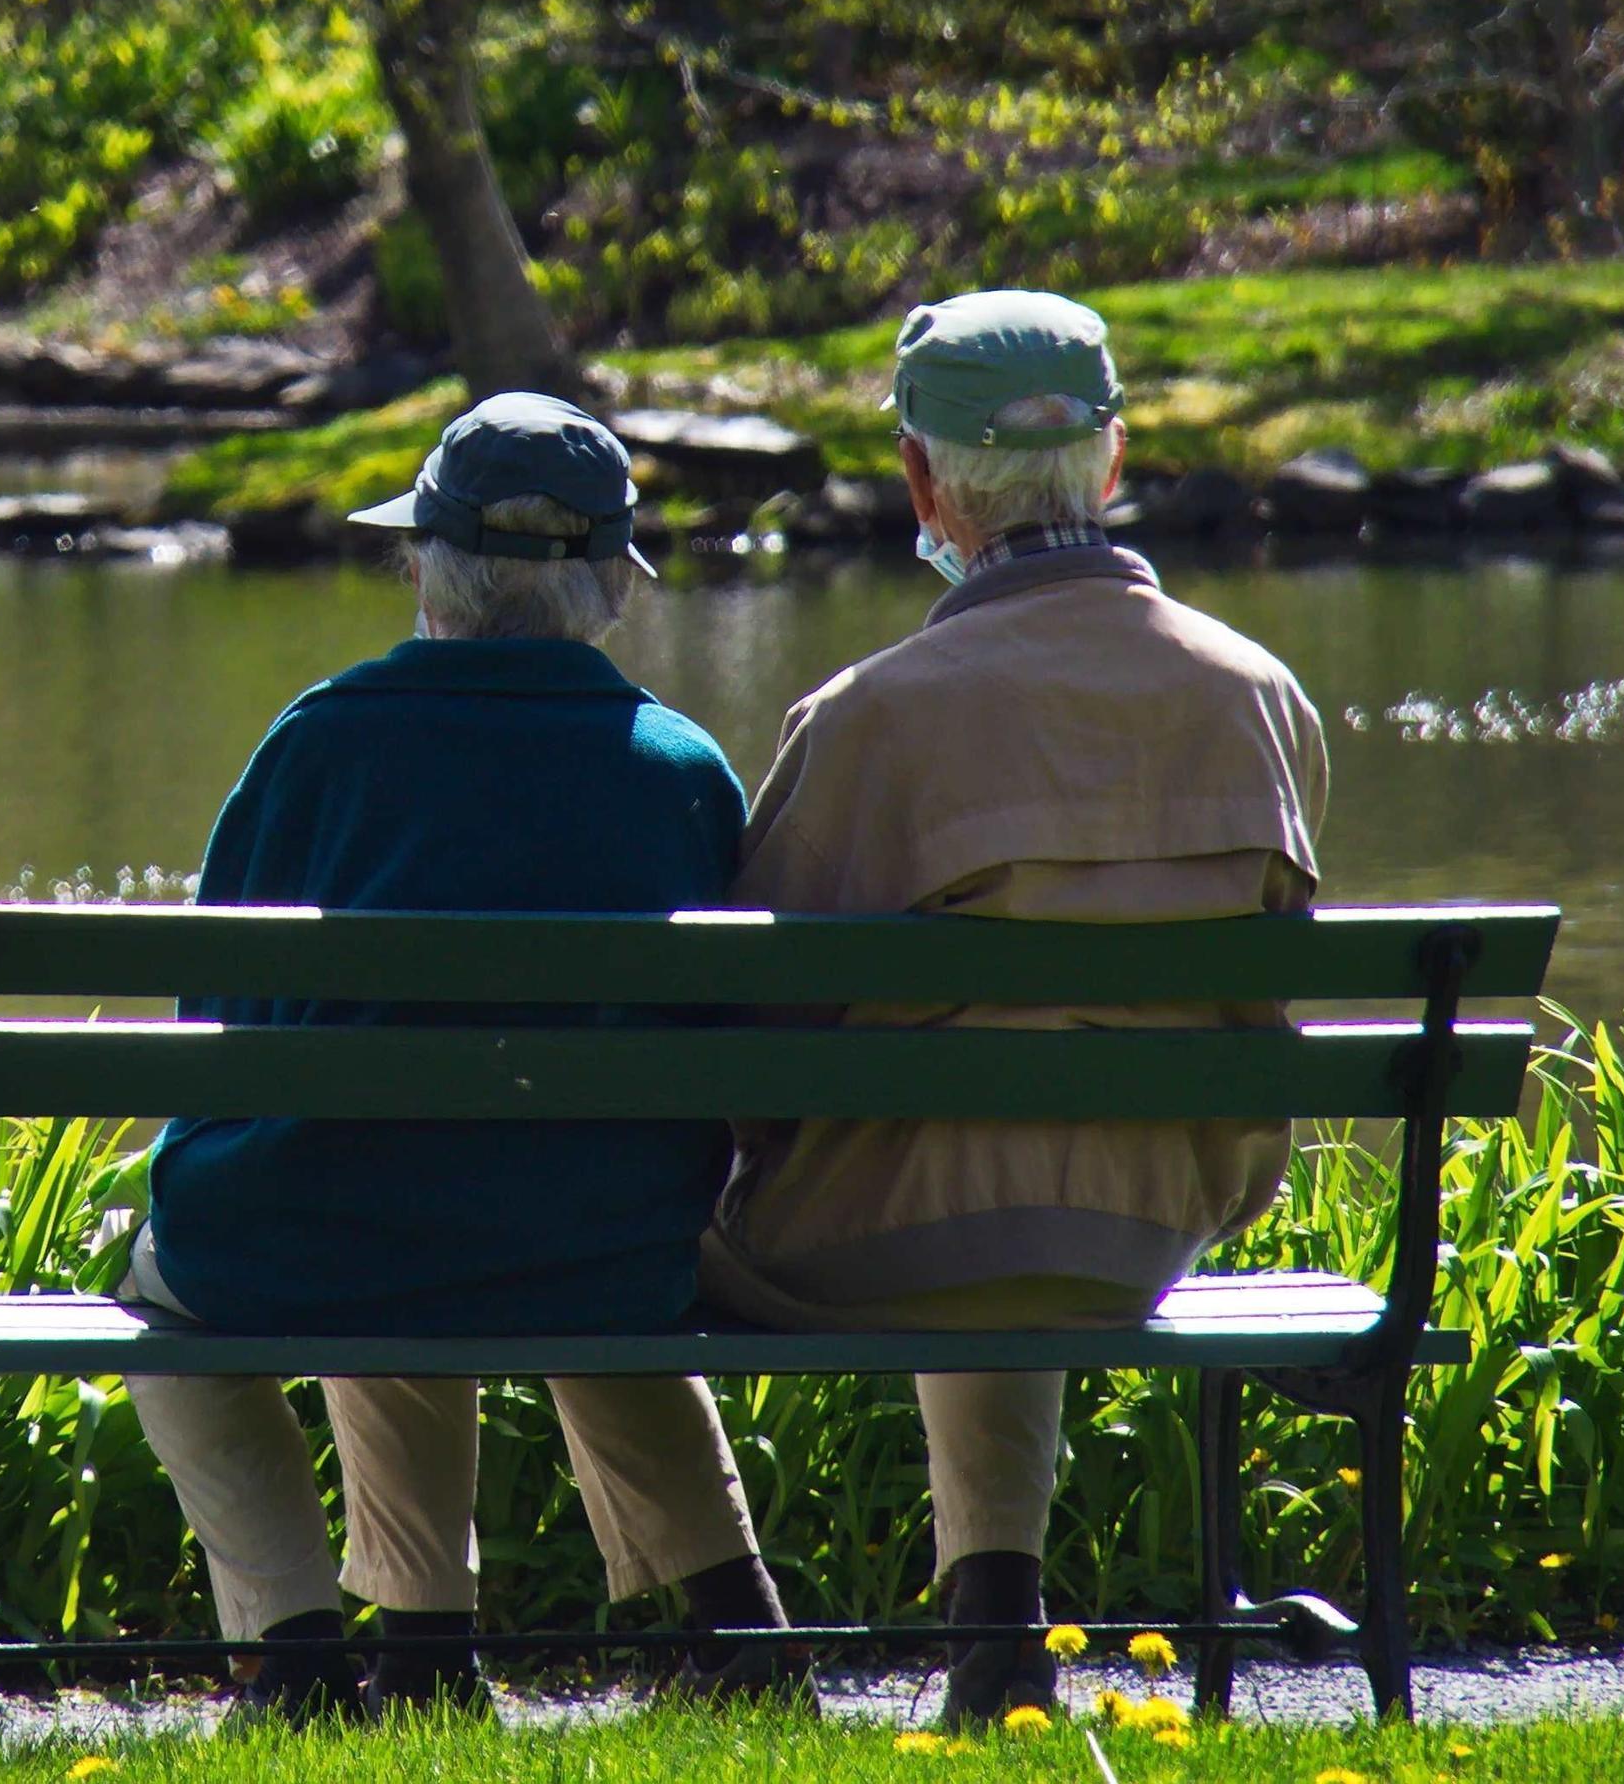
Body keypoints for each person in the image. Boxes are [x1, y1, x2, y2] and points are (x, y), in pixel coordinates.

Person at [700, 291, 1327, 1730]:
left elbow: (753, 1036)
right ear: (1112, 462)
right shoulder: (1261, 696)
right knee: (1014, 1139)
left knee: (951, 1150)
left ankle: (726, 1642)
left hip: (877, 1246)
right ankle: (997, 1634)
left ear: (924, 482)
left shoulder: (871, 715)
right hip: (1148, 1226)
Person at [124, 391, 796, 1723]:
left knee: (246, 1256)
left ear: (426, 562)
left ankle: (302, 1655)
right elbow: (734, 1045)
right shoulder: (679, 767)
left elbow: (220, 1023)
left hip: (342, 1226)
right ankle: (718, 1634)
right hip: (602, 1247)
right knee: (496, 1206)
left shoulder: (322, 741)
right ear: (608, 586)